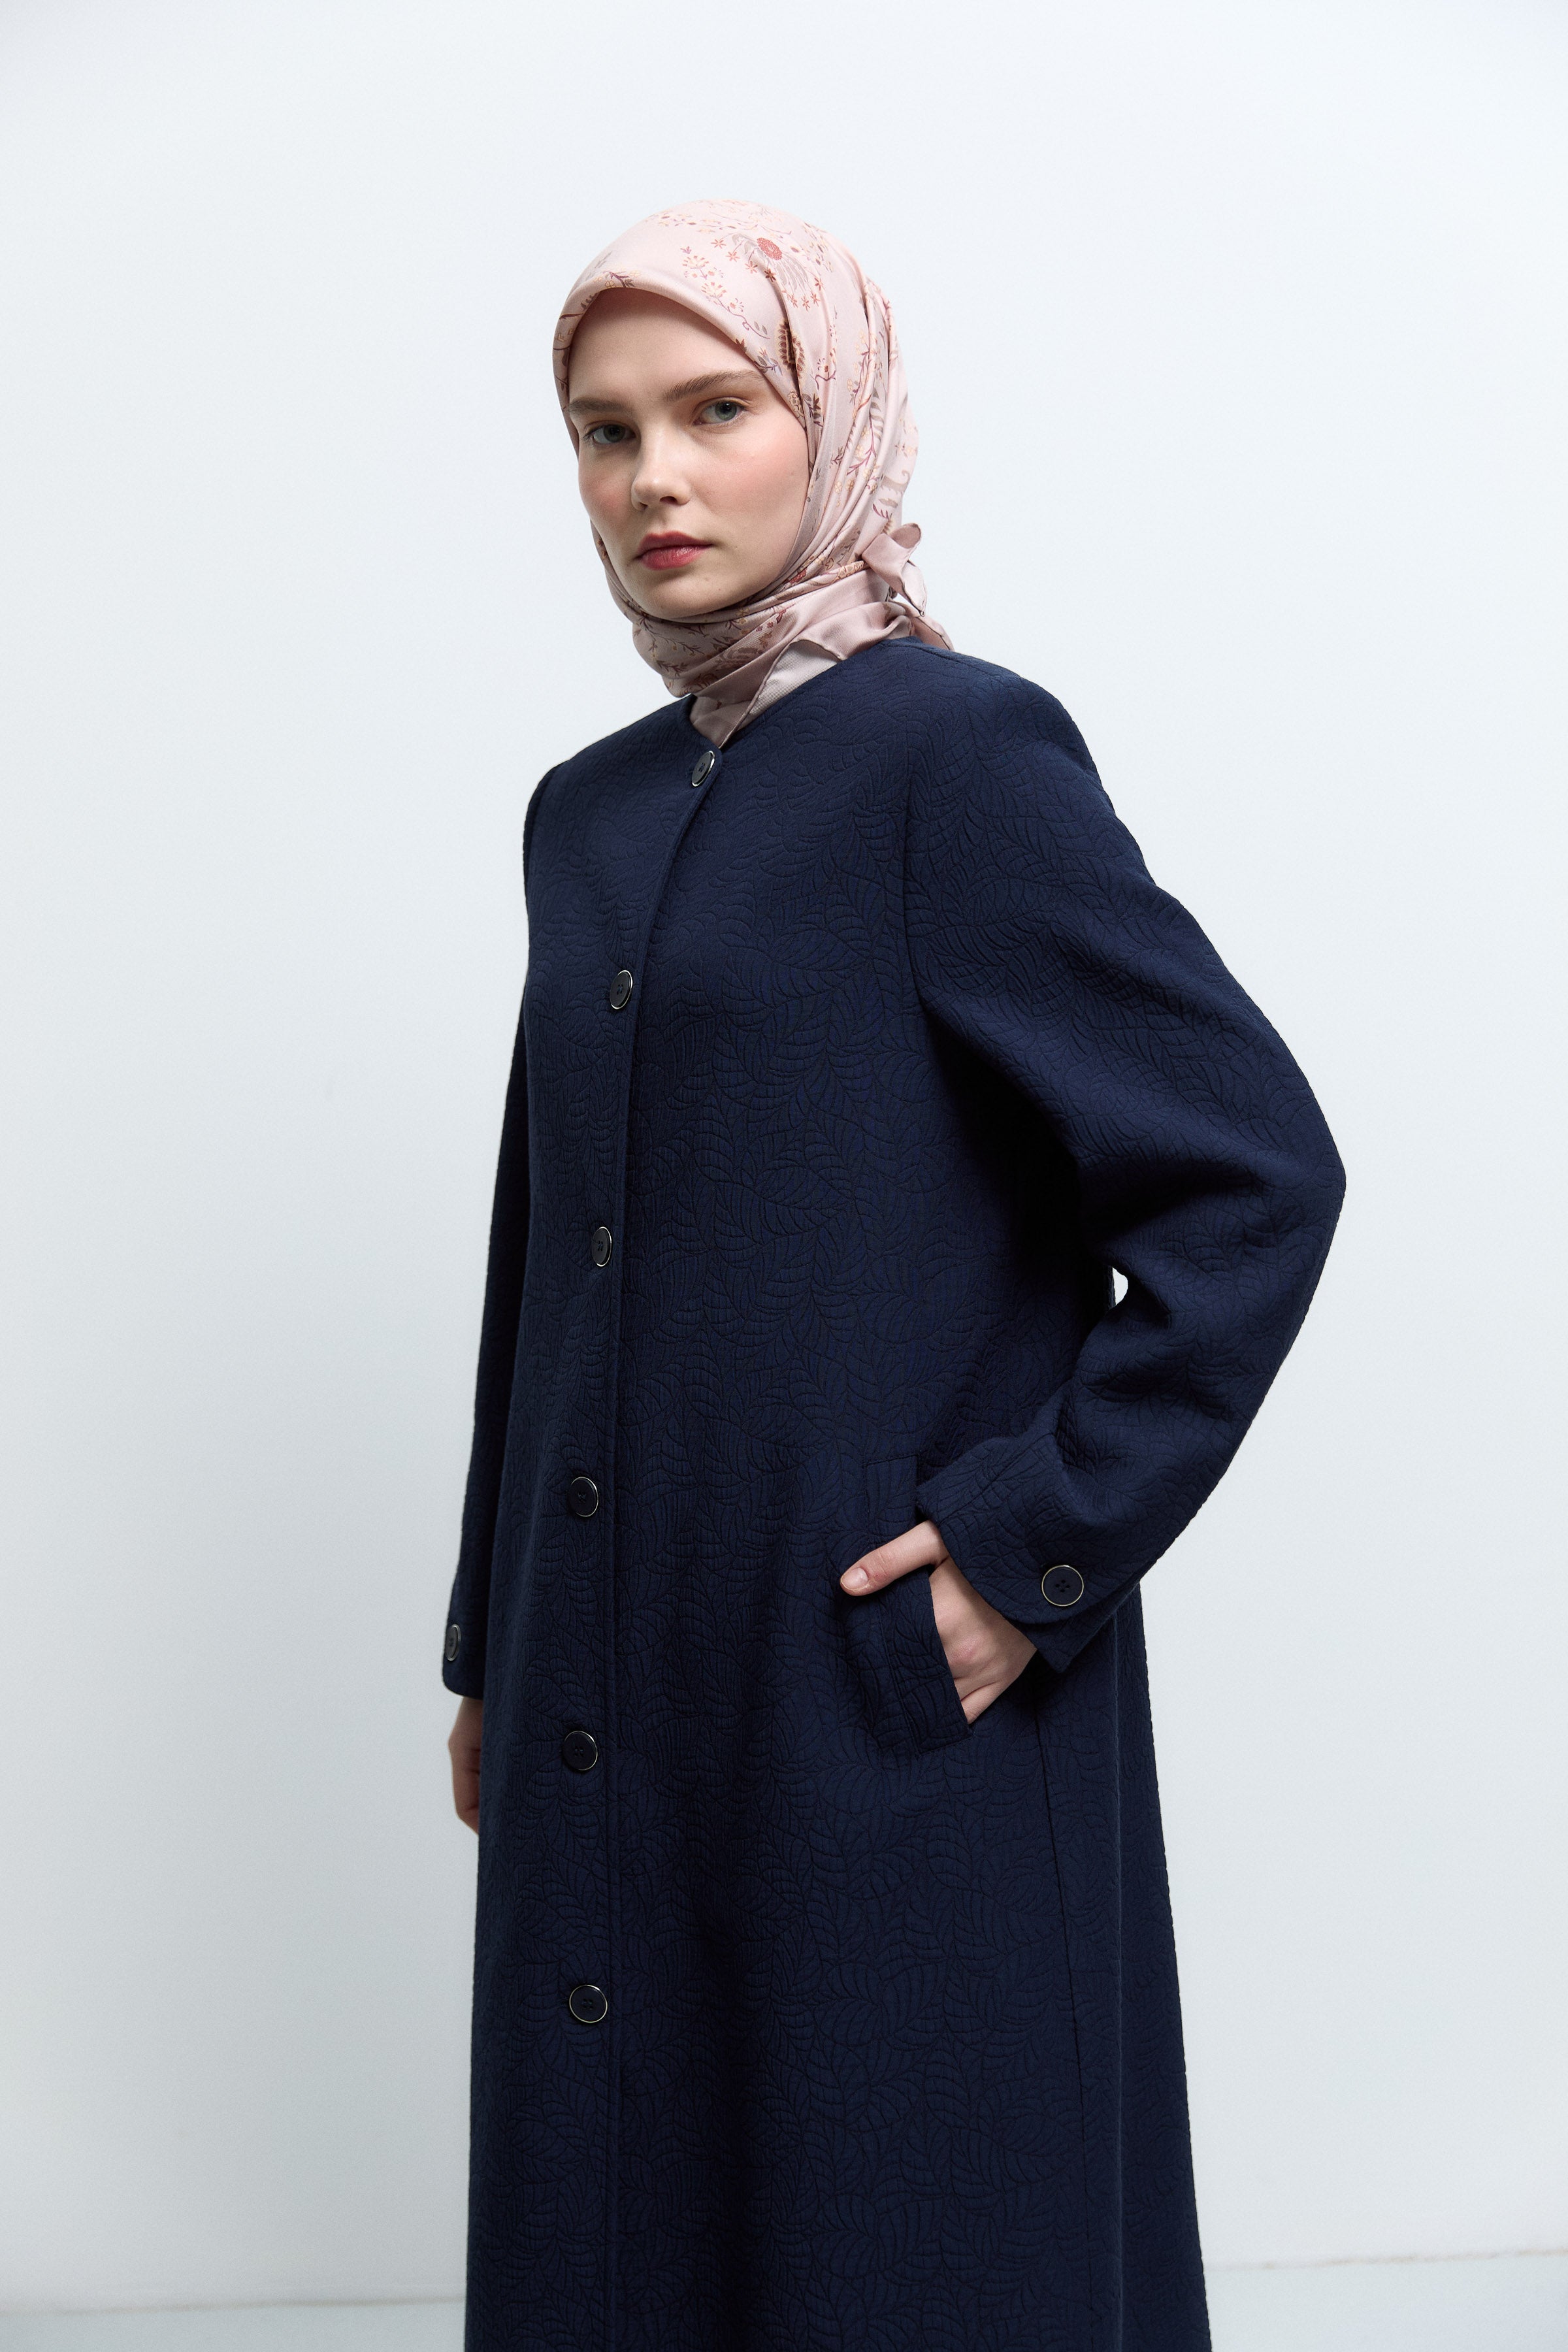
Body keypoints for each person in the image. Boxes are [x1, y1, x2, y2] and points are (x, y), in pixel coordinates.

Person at [442, 199, 1343, 2352]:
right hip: (613, 1671)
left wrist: (1028, 1552)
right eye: (603, 431)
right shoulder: (587, 814)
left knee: (904, 2221)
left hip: (868, 1673)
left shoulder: (960, 757)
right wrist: (495, 1633)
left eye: (715, 411)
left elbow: (1250, 1174)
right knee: (628, 2215)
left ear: (832, 419)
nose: (653, 479)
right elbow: (545, 1243)